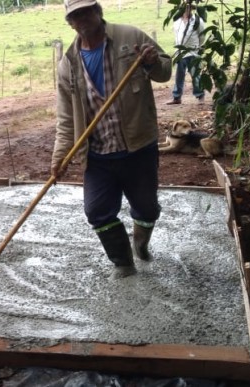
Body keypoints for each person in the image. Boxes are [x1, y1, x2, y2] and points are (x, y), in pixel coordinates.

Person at [52, 0, 172, 279]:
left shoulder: (131, 38)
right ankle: (123, 263)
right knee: (97, 211)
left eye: (86, 11)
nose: (82, 19)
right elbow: (66, 118)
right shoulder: (68, 63)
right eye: (75, 15)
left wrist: (152, 61)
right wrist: (59, 157)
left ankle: (140, 244)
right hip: (97, 155)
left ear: (98, 11)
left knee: (147, 209)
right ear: (69, 22)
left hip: (138, 147)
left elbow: (165, 72)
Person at [166, 2, 206, 104]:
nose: (187, 10)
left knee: (195, 74)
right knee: (179, 75)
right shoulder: (177, 21)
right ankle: (177, 97)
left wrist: (197, 48)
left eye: (189, 8)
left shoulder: (197, 21)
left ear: (191, 9)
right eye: (185, 8)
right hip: (180, 53)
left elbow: (202, 37)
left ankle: (200, 95)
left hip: (193, 52)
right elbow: (176, 36)